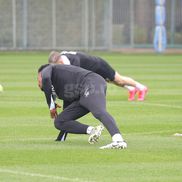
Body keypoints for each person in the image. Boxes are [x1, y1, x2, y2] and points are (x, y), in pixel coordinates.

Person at [38, 64, 127, 149]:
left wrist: (51, 105)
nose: (38, 83)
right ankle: (93, 130)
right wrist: (61, 138)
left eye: (38, 78)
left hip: (92, 82)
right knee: (60, 121)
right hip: (83, 95)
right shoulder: (61, 85)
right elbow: (67, 111)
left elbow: (45, 78)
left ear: (40, 74)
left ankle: (118, 141)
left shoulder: (47, 69)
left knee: (98, 111)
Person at [48, 51, 148, 101]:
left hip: (99, 65)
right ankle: (131, 89)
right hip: (91, 69)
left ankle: (142, 88)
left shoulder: (74, 61)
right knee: (112, 82)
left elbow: (76, 77)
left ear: (60, 61)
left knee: (119, 80)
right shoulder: (62, 59)